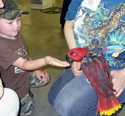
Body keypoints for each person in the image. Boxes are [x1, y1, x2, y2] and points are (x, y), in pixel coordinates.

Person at [48, 0, 125, 116]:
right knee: (53, 97)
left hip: (115, 69)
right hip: (87, 59)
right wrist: (76, 57)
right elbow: (69, 24)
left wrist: (124, 74)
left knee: (66, 106)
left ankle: (110, 105)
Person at [0, 0, 69, 116]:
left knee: (44, 78)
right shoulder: (2, 46)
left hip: (22, 76)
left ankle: (27, 92)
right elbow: (23, 65)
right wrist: (45, 60)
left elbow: (25, 55)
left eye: (18, 20)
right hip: (13, 87)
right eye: (10, 22)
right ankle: (24, 96)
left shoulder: (17, 34)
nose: (17, 25)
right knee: (29, 112)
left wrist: (37, 70)